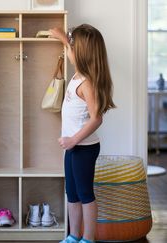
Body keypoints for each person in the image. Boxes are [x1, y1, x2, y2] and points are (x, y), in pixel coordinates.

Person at [49, 24, 116, 243]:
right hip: (73, 147)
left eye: (71, 48)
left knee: (85, 195)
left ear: (81, 54)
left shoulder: (87, 83)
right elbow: (72, 51)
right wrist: (63, 39)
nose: (68, 51)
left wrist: (73, 140)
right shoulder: (77, 74)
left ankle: (88, 239)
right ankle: (73, 236)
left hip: (84, 148)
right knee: (72, 193)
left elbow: (97, 118)